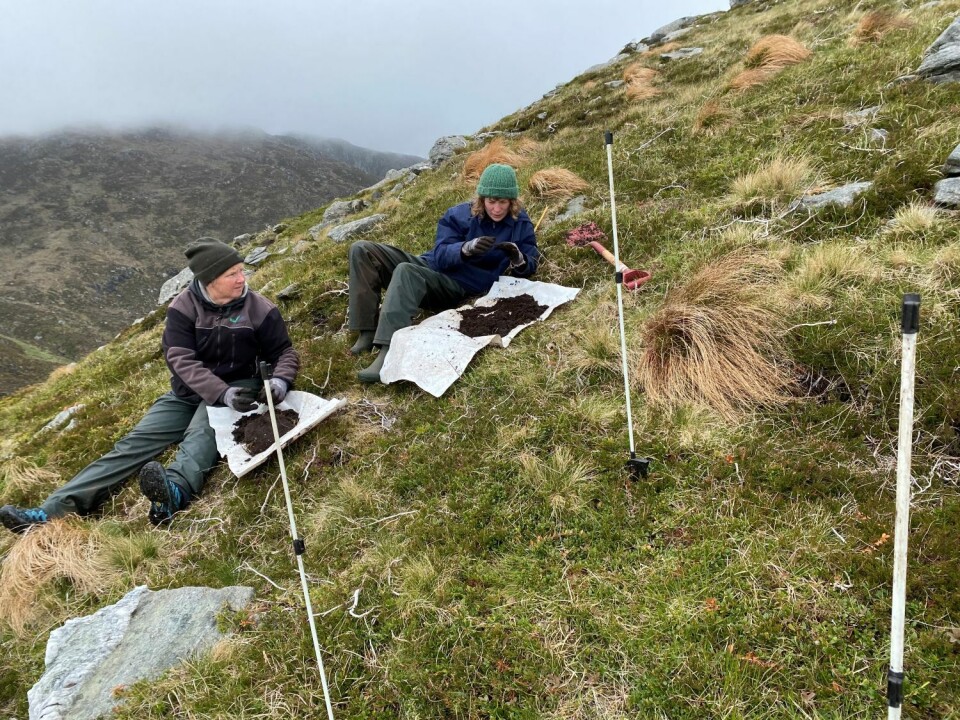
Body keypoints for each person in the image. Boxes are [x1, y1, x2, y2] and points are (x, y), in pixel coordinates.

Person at [0, 238, 299, 533]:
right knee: (133, 444)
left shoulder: (259, 308)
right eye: (232, 274)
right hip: (188, 392)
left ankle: (174, 493)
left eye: (241, 270)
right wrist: (219, 391)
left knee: (202, 434)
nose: (241, 278)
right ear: (209, 279)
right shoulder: (183, 307)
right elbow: (180, 359)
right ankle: (50, 512)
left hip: (238, 389)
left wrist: (280, 381)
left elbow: (284, 352)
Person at [348, 163, 539, 383]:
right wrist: (465, 249)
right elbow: (440, 255)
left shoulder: (519, 224)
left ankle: (388, 351)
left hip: (456, 285)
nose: (496, 208)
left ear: (512, 201)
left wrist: (518, 258)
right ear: (482, 199)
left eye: (503, 202)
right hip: (431, 265)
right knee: (362, 249)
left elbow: (530, 262)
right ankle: (367, 331)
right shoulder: (459, 215)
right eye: (491, 201)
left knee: (406, 271)